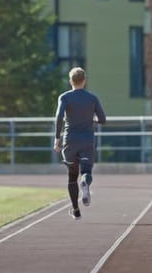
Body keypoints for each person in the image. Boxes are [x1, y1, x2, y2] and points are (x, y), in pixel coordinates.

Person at [53, 67, 106, 220]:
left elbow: (59, 117)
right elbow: (102, 119)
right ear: (84, 81)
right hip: (87, 140)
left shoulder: (64, 97)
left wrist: (57, 139)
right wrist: (92, 119)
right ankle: (85, 182)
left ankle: (76, 211)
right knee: (86, 172)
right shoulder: (92, 98)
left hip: (70, 141)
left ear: (71, 81)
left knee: (71, 176)